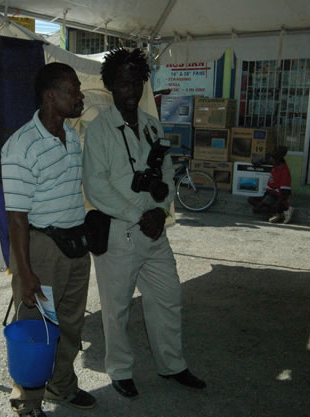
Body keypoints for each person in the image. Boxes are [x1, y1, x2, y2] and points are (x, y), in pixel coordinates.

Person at [82, 48, 206, 399]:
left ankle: (173, 365)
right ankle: (120, 370)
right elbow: (97, 186)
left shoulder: (152, 125)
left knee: (168, 298)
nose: (131, 90)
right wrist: (141, 215)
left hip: (155, 233)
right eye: (123, 83)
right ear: (110, 86)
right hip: (120, 234)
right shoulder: (100, 131)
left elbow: (165, 172)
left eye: (136, 82)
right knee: (116, 308)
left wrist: (162, 209)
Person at [1, 63, 96, 417]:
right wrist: (24, 273)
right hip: (40, 249)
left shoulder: (70, 135)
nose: (79, 96)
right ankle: (27, 402)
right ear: (50, 95)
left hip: (75, 247)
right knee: (34, 328)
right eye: (73, 90)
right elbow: (16, 218)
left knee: (70, 325)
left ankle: (62, 385)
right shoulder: (20, 146)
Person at [247, 146, 294, 224]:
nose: (271, 161)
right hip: (268, 195)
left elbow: (285, 194)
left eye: (272, 160)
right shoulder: (276, 164)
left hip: (277, 198)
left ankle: (284, 211)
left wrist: (277, 204)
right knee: (251, 200)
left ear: (277, 160)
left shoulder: (284, 172)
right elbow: (263, 161)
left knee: (260, 208)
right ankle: (276, 213)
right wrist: (258, 162)